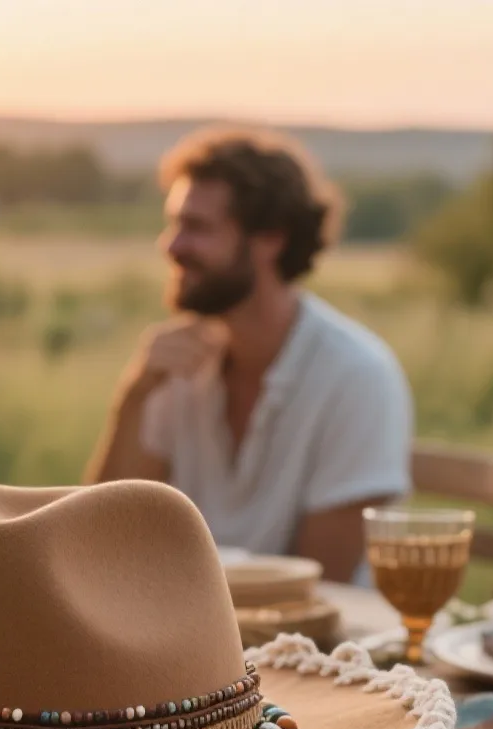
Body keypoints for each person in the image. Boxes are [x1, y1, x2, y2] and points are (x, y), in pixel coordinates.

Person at [85, 127, 413, 582]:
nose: (171, 245)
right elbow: (101, 539)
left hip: (312, 647)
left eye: (196, 227)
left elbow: (321, 582)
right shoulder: (176, 364)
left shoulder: (357, 376)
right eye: (174, 222)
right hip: (194, 634)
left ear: (271, 239)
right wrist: (133, 397)